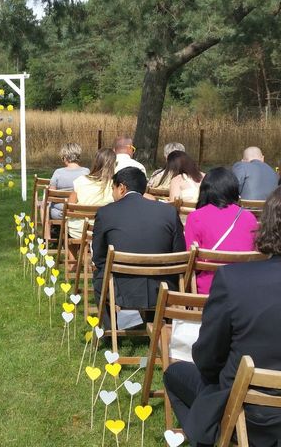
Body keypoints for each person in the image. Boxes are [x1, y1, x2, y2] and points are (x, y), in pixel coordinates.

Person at [164, 186, 281, 447]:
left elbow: (207, 359)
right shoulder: (236, 280)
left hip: (247, 413)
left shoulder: (235, 280)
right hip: (251, 405)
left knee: (174, 374)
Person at [92, 167, 185, 325]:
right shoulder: (168, 212)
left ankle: (110, 330)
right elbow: (179, 253)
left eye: (112, 188)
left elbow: (99, 257)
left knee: (99, 275)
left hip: (120, 287)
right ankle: (163, 326)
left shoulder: (105, 213)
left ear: (122, 188)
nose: (112, 193)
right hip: (163, 287)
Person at [184, 168, 259, 294]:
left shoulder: (195, 217)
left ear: (205, 190)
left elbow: (191, 261)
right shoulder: (249, 218)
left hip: (209, 290)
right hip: (245, 288)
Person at [66, 148, 116, 238]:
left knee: (70, 226)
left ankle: (73, 252)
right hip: (105, 231)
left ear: (95, 163)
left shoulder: (80, 181)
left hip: (79, 231)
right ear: (113, 165)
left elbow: (70, 208)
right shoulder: (115, 186)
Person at [48, 143, 90, 220]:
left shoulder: (58, 173)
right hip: (79, 211)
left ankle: (46, 231)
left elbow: (51, 195)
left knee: (45, 205)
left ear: (65, 157)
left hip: (60, 212)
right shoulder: (86, 172)